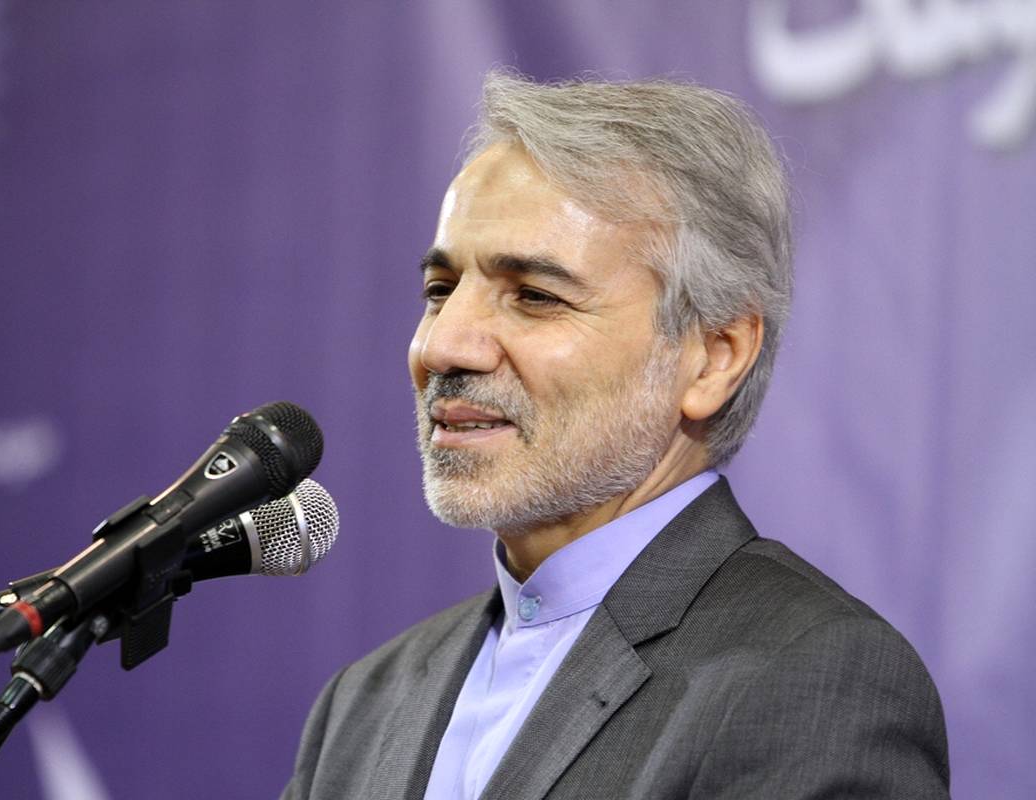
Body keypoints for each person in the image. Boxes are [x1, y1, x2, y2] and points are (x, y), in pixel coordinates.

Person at [283, 72, 950, 799]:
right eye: (440, 291)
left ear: (713, 357)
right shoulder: (362, 705)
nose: (442, 347)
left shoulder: (809, 679)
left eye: (535, 297)